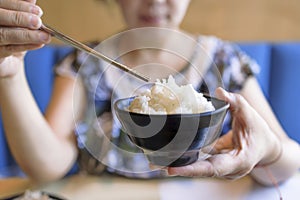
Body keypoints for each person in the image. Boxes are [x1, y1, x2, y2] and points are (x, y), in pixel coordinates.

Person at [0, 0, 299, 186]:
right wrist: (10, 74)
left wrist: (268, 151)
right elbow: (48, 165)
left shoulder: (225, 61)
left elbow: (288, 161)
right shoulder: (85, 64)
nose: (154, 1)